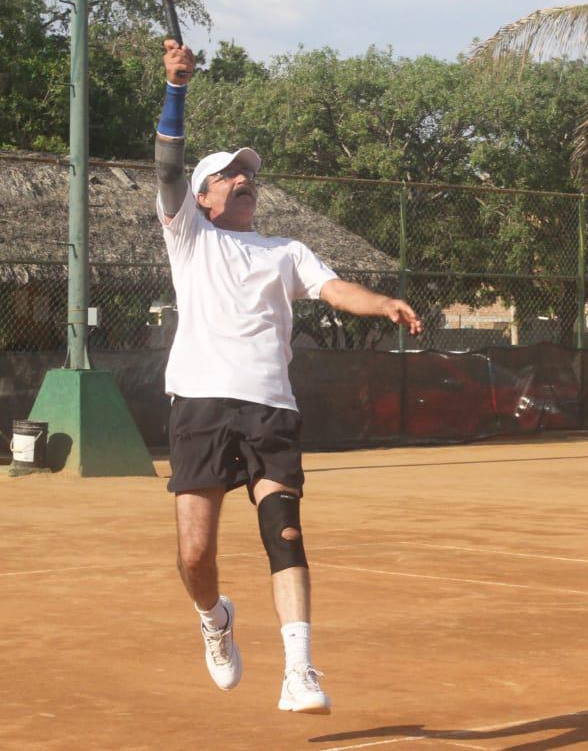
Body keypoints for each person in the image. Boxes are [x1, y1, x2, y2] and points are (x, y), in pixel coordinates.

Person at [153, 39, 422, 714]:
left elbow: (335, 291)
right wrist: (176, 88)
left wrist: (382, 302)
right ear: (204, 195)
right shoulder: (190, 236)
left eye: (252, 173)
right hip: (200, 406)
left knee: (286, 533)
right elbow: (166, 166)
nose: (247, 178)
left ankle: (300, 669)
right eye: (231, 174)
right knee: (193, 553)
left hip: (270, 408)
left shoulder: (287, 250)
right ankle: (215, 618)